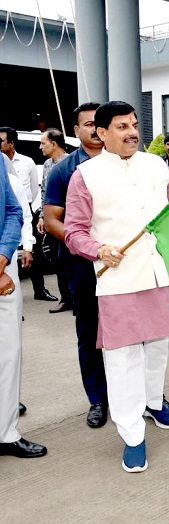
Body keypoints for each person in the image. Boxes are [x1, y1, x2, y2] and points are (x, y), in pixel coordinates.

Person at [64, 101, 169, 473]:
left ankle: (154, 401)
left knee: (160, 345)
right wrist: (98, 249)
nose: (132, 132)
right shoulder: (85, 175)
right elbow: (73, 231)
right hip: (116, 281)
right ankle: (132, 434)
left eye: (134, 124)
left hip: (159, 274)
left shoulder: (157, 166)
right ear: (100, 133)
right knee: (122, 357)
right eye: (121, 126)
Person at [43, 102, 111, 428]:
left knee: (133, 331)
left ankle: (145, 395)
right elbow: (52, 219)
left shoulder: (128, 165)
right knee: (90, 331)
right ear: (76, 131)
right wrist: (86, 245)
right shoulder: (64, 170)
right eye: (88, 124)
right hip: (82, 265)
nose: (95, 129)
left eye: (100, 123)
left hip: (126, 262)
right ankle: (98, 399)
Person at [0, 154, 47, 459]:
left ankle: (6, 434)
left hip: (3, 271)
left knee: (9, 353)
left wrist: (4, 256)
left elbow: (13, 210)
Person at [0, 126, 57, 302]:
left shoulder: (27, 162)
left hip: (23, 212)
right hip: (11, 215)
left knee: (34, 257)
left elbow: (34, 190)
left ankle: (39, 290)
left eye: (2, 141)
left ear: (11, 143)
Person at [40, 128, 72, 313]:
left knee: (73, 261)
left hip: (70, 219)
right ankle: (65, 298)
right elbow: (44, 192)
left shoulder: (70, 163)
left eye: (43, 143)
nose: (40, 147)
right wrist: (42, 217)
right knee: (59, 260)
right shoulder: (46, 165)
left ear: (54, 143)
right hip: (53, 219)